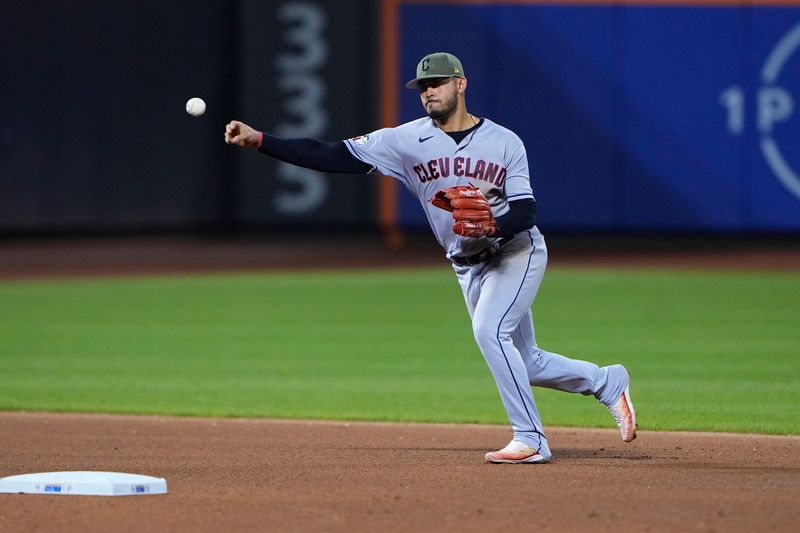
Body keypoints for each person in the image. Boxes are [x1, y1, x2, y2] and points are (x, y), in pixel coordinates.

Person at [224, 52, 637, 464]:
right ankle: (605, 381)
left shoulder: (505, 141)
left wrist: (493, 226)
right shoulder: (405, 141)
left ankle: (530, 437)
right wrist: (260, 140)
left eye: (436, 83)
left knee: (490, 332)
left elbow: (526, 210)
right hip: (467, 266)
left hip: (517, 250)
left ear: (461, 84)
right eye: (422, 86)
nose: (428, 92)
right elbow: (331, 155)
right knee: (524, 362)